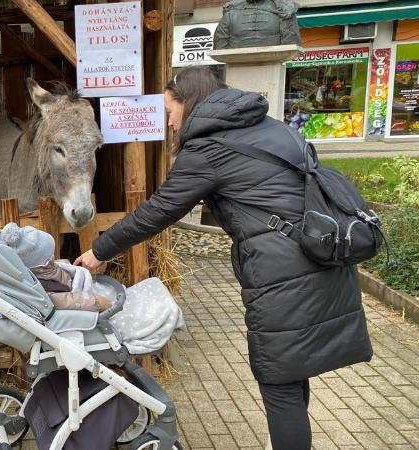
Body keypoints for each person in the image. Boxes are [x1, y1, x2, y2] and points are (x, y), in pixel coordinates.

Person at [75, 66, 372, 450]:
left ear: (189, 101)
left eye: (170, 110)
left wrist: (99, 252)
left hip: (283, 273)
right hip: (323, 257)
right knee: (293, 371)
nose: (169, 121)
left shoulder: (209, 148)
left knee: (278, 381)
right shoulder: (274, 127)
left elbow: (160, 210)